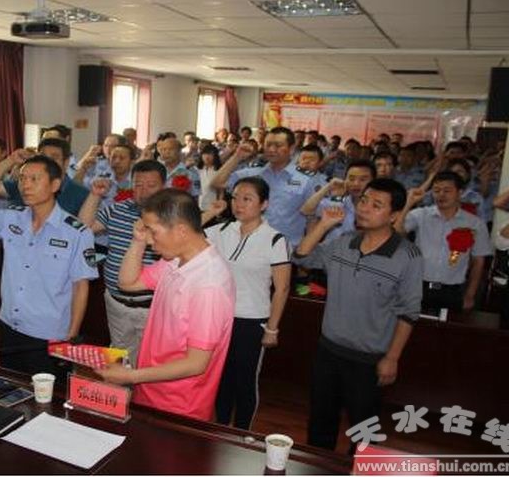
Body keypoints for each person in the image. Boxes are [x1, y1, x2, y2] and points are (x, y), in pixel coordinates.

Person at [294, 178, 423, 451]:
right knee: (320, 421)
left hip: (368, 359)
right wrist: (324, 225)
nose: (364, 208)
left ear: (394, 215)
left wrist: (392, 358)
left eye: (376, 205)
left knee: (363, 430)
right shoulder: (344, 241)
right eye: (363, 201)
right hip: (329, 350)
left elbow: (408, 312)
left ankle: (359, 468)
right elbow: (302, 256)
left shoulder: (408, 256)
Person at [95, 189, 236, 422]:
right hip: (150, 387)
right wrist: (138, 241)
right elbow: (128, 283)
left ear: (181, 231)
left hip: (179, 404)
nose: (150, 239)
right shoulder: (177, 259)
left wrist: (131, 376)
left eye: (153, 231)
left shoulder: (208, 285)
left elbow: (196, 363)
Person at [0, 156, 97, 377]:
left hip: (49, 332)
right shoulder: (11, 218)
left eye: (34, 179)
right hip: (10, 325)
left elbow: (81, 286)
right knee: (12, 387)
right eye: (22, 178)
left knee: (49, 394)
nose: (25, 185)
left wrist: (72, 334)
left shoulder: (77, 232)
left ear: (55, 185)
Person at [205, 177, 291, 430]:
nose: (238, 204)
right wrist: (210, 213)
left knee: (245, 381)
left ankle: (243, 433)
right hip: (220, 318)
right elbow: (185, 233)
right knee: (221, 377)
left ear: (264, 204)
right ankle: (221, 427)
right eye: (235, 198)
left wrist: (272, 329)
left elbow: (282, 288)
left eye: (247, 199)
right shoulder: (221, 230)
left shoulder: (274, 239)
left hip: (252, 321)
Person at [77, 160, 166, 363]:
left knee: (151, 362)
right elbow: (82, 229)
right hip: (116, 302)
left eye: (151, 185)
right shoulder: (116, 210)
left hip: (153, 307)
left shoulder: (172, 217)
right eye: (138, 185)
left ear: (164, 186)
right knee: (121, 357)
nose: (143, 191)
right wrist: (95, 195)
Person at [395, 171, 492, 312]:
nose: (441, 195)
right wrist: (409, 203)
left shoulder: (475, 224)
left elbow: (478, 262)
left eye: (447, 191)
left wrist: (470, 294)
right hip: (418, 287)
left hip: (452, 290)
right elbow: (396, 234)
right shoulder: (421, 215)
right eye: (436, 191)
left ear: (460, 193)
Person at [211, 126, 318, 247]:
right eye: (268, 145)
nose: (272, 149)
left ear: (292, 149)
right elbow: (217, 182)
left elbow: (312, 219)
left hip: (286, 247)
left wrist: (305, 248)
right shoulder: (253, 174)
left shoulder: (306, 180)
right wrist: (237, 156)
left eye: (278, 145)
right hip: (250, 244)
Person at [0, 138, 89, 215]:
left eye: (54, 158)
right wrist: (11, 160)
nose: (47, 162)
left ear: (66, 162)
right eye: (43, 157)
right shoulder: (23, 185)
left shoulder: (81, 194)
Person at [196, 144, 222, 211]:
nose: (207, 156)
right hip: (198, 205)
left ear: (215, 156)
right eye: (205, 154)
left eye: (210, 154)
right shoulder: (197, 170)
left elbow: (221, 191)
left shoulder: (218, 171)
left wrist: (219, 206)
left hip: (212, 206)